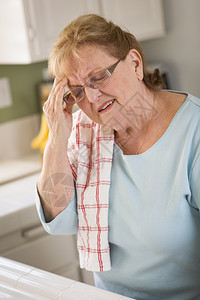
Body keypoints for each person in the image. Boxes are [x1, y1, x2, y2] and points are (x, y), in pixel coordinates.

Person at [36, 14, 200, 299]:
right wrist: (57, 136)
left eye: (99, 77)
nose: (92, 96)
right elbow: (57, 217)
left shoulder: (193, 131)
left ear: (135, 63)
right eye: (77, 91)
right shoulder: (85, 132)